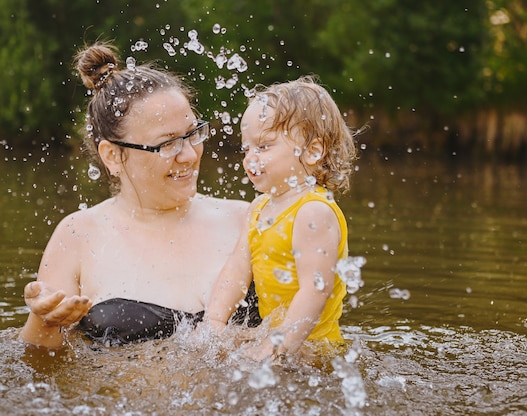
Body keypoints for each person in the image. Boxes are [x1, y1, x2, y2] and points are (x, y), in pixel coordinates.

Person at [19, 41, 258, 348]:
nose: (189, 155)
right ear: (113, 156)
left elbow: (311, 338)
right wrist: (43, 322)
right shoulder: (77, 236)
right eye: (167, 144)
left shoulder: (248, 218)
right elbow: (40, 369)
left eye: (192, 133)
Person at [205, 76, 357, 360]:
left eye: (263, 147)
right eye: (245, 148)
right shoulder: (259, 207)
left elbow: (315, 290)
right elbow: (236, 269)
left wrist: (275, 349)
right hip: (273, 333)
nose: (250, 158)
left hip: (315, 348)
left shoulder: (313, 211)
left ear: (312, 151)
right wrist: (214, 323)